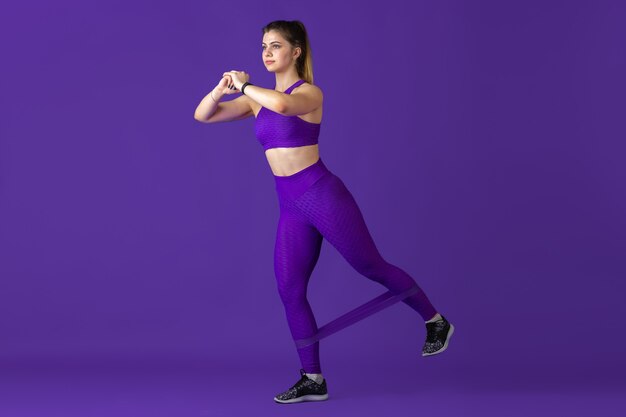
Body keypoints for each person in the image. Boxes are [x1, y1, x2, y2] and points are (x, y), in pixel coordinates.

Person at [194, 19, 454, 404]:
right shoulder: (255, 100)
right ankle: (312, 377)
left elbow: (282, 104)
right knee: (289, 288)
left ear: (296, 51)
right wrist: (222, 88)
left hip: (322, 195)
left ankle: (436, 322)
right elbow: (204, 115)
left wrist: (246, 84)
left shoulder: (309, 93)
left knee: (370, 267)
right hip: (290, 206)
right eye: (263, 45)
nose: (266, 52)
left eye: (276, 45)